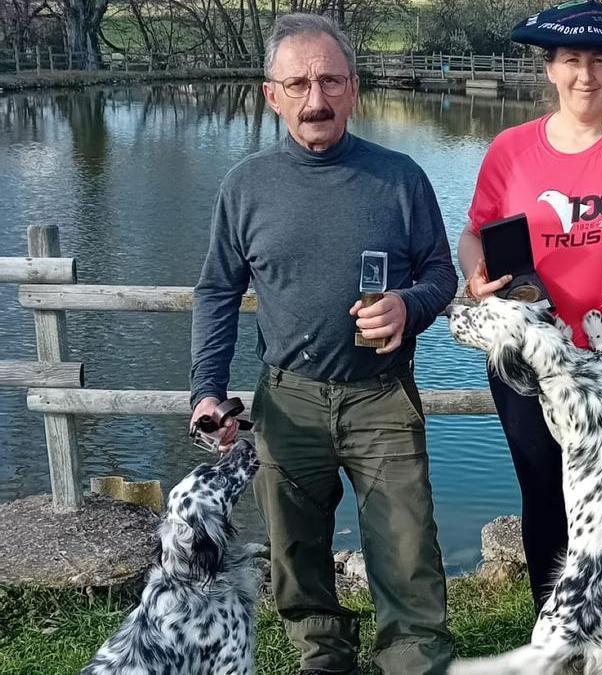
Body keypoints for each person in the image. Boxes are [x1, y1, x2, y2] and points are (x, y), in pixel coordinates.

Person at [189, 14, 457, 675]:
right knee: (295, 554)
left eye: (331, 80)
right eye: (299, 82)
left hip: (382, 400)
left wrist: (409, 306)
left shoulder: (400, 178)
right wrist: (206, 391)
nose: (316, 99)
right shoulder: (245, 186)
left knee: (408, 548)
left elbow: (441, 274)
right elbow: (217, 292)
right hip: (288, 402)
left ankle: (412, 658)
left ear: (354, 88)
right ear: (270, 93)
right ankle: (323, 655)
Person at [455, 3, 602, 673]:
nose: (586, 74)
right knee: (546, 499)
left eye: (601, 61)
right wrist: (475, 273)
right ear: (550, 68)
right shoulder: (509, 150)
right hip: (529, 366)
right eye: (572, 60)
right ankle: (565, 647)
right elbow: (475, 234)